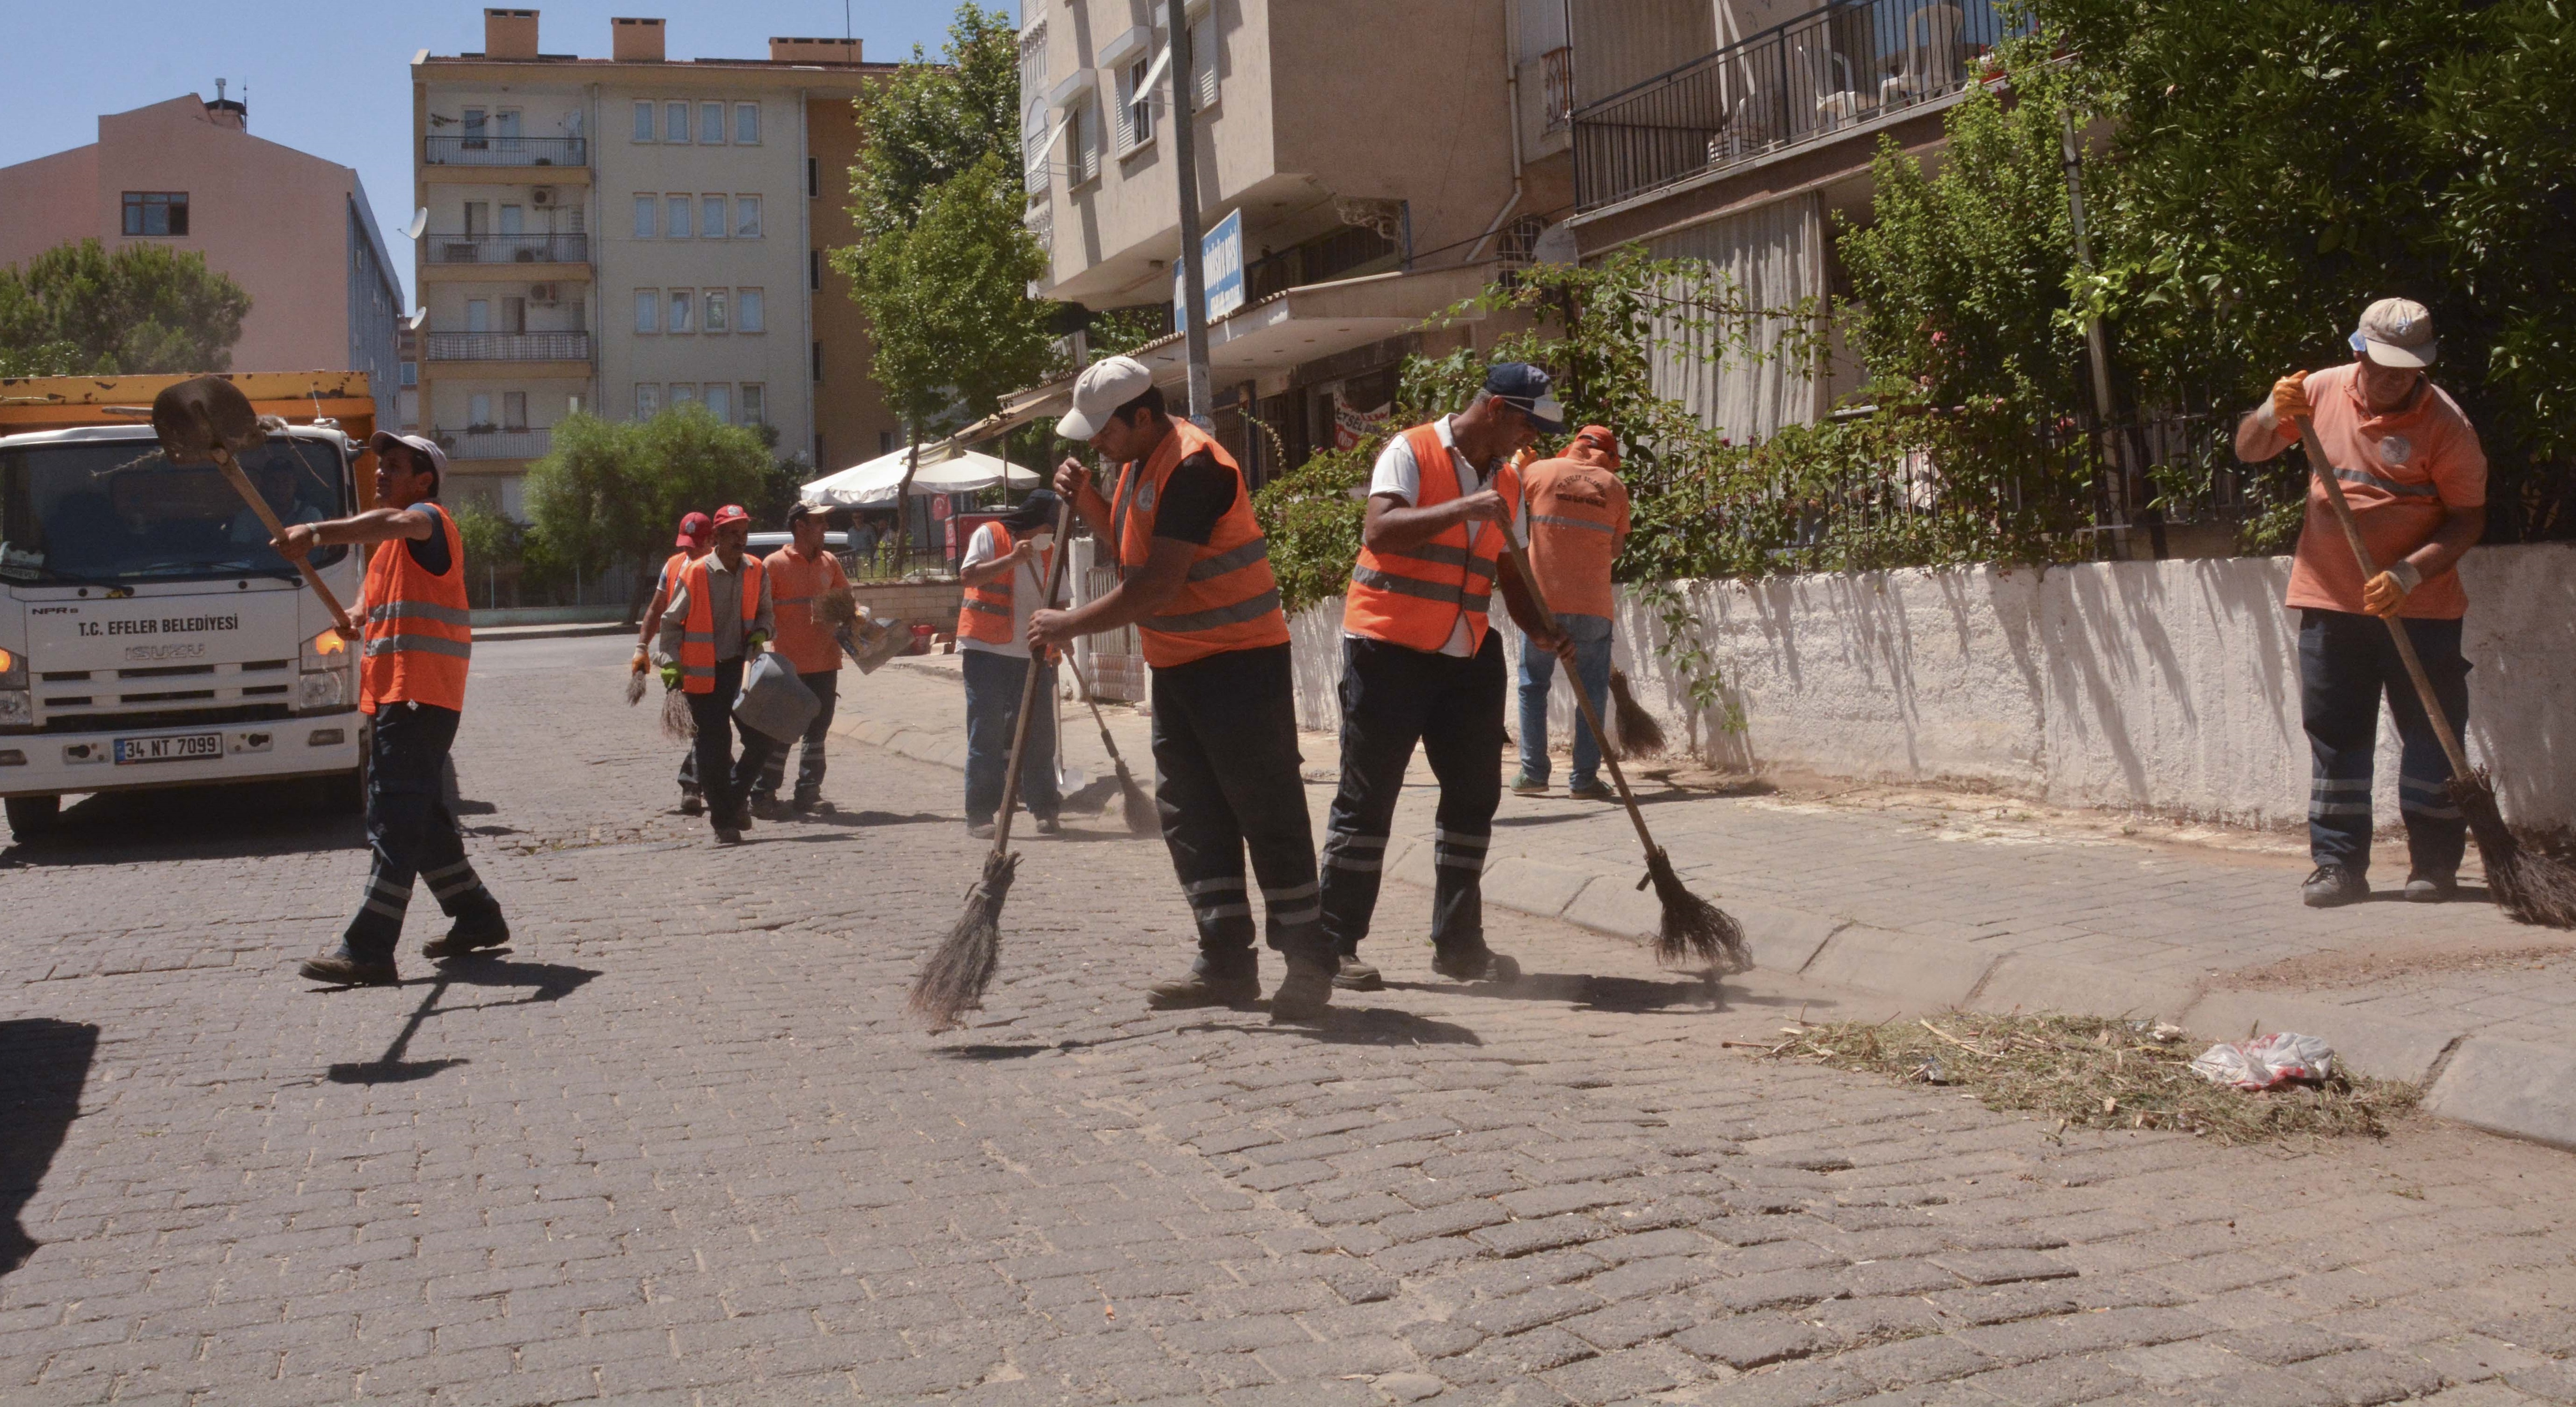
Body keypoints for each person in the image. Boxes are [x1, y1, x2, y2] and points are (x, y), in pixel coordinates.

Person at [1031, 357, 1338, 1021]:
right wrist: (1088, 500)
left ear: (1142, 415)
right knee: (1194, 815)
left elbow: (1157, 586)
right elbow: (1133, 550)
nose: (1094, 443)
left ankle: (1310, 959)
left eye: (1103, 430)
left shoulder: (1196, 465)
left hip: (1238, 663)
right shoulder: (1139, 465)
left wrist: (1066, 625)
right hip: (1177, 667)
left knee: (1267, 811)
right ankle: (1225, 959)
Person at [1318, 364, 1573, 992]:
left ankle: (1459, 945)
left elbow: (1509, 571)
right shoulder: (1409, 450)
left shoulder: (1508, 483)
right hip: (1386, 649)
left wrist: (1539, 626)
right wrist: (1465, 504)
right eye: (1523, 423)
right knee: (1368, 798)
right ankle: (1332, 944)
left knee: (1472, 798)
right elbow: (1379, 528)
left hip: (1465, 653)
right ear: (1492, 409)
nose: (1526, 439)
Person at [2233, 297, 2487, 907]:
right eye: (2384, 364)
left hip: (2420, 608)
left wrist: (2407, 573)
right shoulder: (2318, 392)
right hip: (2330, 603)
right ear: (2358, 350)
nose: (2397, 377)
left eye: (2410, 366)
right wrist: (2269, 413)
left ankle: (2433, 864)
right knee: (2337, 734)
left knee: (2431, 736)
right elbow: (2248, 448)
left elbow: (2466, 522)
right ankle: (2339, 865)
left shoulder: (2448, 427)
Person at [278, 432, 507, 985]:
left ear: (424, 480)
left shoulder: (427, 519)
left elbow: (389, 523)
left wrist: (315, 532)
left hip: (419, 696)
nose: (380, 474)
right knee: (420, 819)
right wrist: (355, 614)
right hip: (397, 698)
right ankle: (477, 917)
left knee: (393, 820)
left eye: (394, 466)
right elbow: (372, 602)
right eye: (380, 465)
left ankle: (369, 948)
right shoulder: (389, 553)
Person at [1511, 424, 1632, 802]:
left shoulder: (1541, 471)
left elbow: (1505, 499)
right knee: (1592, 691)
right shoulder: (1615, 488)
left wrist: (1518, 466)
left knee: (1534, 683)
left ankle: (1533, 774)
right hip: (1593, 606)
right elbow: (1615, 550)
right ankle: (1583, 780)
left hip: (1541, 603)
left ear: (1574, 445)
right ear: (1610, 456)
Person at [655, 504, 777, 845]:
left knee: (761, 739)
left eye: (744, 533)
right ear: (716, 538)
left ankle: (733, 801)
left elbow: (767, 613)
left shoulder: (756, 569)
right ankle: (724, 822)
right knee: (714, 747)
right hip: (703, 675)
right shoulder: (695, 573)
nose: (740, 539)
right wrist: (669, 662)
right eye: (733, 533)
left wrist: (762, 632)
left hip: (743, 672)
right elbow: (670, 622)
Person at [956, 489, 1066, 838]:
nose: (1053, 532)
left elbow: (1060, 602)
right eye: (1050, 525)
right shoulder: (990, 534)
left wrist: (1064, 638)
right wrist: (1013, 560)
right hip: (985, 651)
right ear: (1034, 521)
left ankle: (1045, 809)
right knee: (985, 733)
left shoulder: (1051, 550)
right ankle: (980, 813)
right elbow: (969, 576)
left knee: (1040, 736)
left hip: (1032, 654)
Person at [752, 503, 850, 816]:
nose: (824, 527)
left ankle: (809, 793)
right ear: (800, 526)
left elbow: (846, 605)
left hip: (826, 660)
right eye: (818, 522)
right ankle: (763, 794)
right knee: (782, 731)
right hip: (787, 666)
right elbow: (757, 611)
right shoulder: (774, 564)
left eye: (824, 522)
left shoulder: (830, 562)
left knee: (817, 732)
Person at [636, 511, 713, 814]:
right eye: (686, 543)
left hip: (719, 661)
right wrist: (641, 647)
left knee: (710, 727)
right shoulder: (672, 565)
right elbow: (657, 609)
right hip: (681, 663)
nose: (689, 550)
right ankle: (696, 784)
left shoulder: (724, 568)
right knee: (706, 727)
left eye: (695, 544)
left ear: (712, 540)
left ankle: (722, 781)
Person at [228, 462, 324, 546]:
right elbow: (238, 549)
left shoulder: (311, 515)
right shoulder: (247, 516)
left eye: (286, 481)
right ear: (265, 485)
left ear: (295, 484)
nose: (280, 488)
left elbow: (319, 547)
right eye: (274, 481)